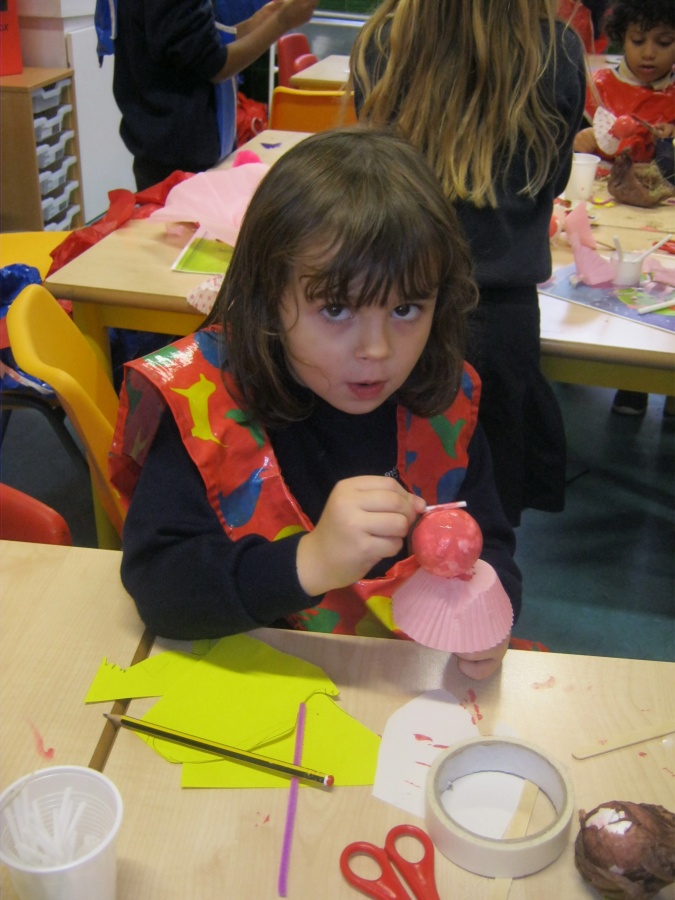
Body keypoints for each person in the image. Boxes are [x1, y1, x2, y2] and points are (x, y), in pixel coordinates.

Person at [109, 128, 522, 680]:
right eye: (335, 310)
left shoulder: (442, 396)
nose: (376, 350)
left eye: (407, 310)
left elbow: (491, 544)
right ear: (267, 296)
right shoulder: (204, 405)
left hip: (406, 690)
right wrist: (310, 561)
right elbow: (160, 589)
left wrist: (491, 617)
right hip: (258, 685)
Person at [350, 0, 586, 528]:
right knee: (483, 523)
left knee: (392, 510)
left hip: (398, 307)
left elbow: (376, 175)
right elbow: (551, 179)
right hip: (499, 323)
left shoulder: (383, 42)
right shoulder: (556, 51)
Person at [573, 0, 675, 417]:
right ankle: (628, 377)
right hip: (612, 212)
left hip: (665, 212)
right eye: (638, 41)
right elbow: (578, 144)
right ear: (621, 38)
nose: (649, 53)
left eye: (664, 42)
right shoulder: (600, 87)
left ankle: (669, 383)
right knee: (619, 283)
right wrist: (581, 140)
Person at [112, 0, 317, 190]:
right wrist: (282, 22)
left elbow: (196, 45)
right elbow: (214, 65)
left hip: (172, 144)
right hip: (178, 157)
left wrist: (260, 23)